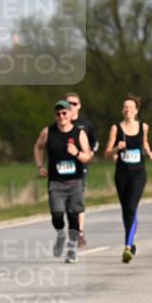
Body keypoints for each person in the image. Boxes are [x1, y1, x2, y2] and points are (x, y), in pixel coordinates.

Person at [34, 99, 93, 264]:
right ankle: (60, 234)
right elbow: (38, 147)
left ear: (70, 114)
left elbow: (88, 156)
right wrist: (40, 166)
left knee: (74, 215)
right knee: (57, 214)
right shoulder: (48, 132)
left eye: (64, 113)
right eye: (58, 114)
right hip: (56, 182)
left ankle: (72, 247)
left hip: (75, 181)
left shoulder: (79, 133)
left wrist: (76, 153)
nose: (61, 116)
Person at [104, 95, 152, 263]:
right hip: (122, 173)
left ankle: (127, 246)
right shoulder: (116, 129)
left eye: (131, 107)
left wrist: (149, 152)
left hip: (138, 173)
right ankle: (131, 240)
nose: (128, 110)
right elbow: (106, 153)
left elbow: (145, 143)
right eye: (125, 107)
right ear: (122, 110)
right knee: (126, 209)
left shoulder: (143, 127)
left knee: (132, 207)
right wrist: (116, 149)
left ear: (136, 110)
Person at [65, 92, 97, 247]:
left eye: (74, 103)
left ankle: (80, 232)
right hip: (63, 167)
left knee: (78, 198)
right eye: (68, 103)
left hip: (80, 165)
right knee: (66, 201)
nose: (71, 106)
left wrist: (89, 154)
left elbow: (94, 142)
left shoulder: (85, 123)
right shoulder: (60, 122)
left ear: (79, 106)